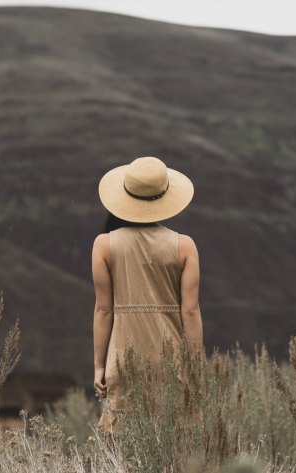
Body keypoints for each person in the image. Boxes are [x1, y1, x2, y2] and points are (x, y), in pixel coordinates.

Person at [92, 156, 203, 433]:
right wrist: (195, 367)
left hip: (123, 360)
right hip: (171, 362)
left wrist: (99, 366)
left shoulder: (104, 245)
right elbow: (190, 312)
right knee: (171, 448)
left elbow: (103, 310)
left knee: (124, 449)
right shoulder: (184, 246)